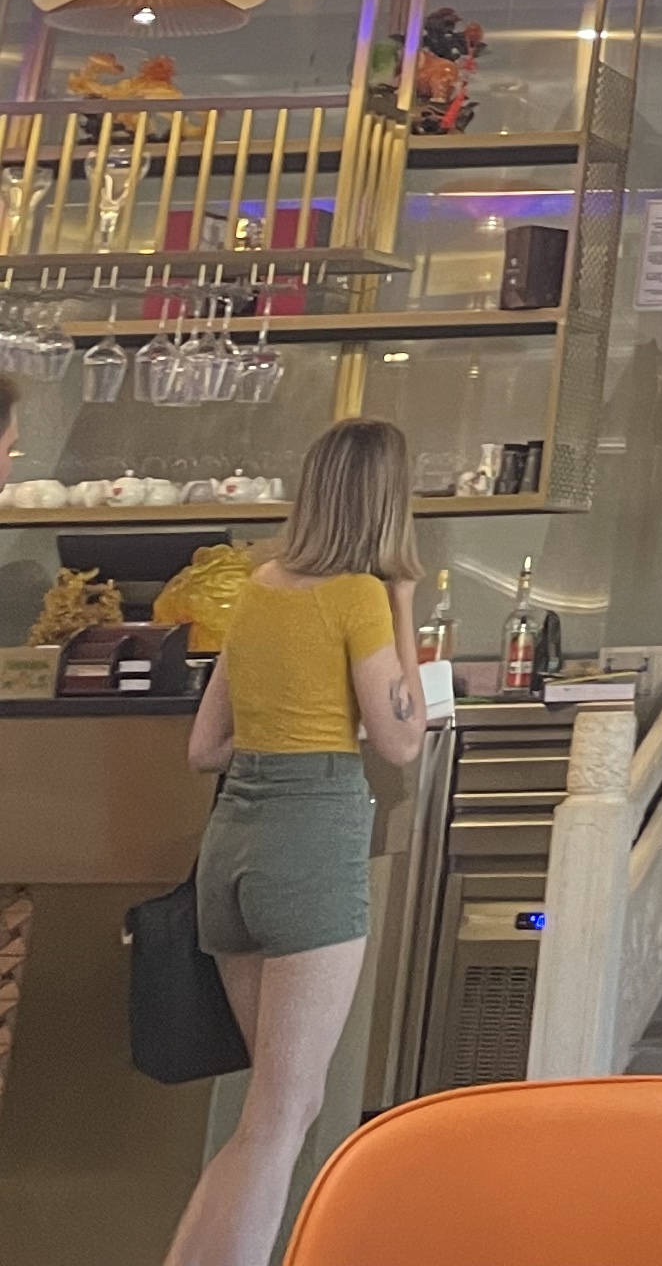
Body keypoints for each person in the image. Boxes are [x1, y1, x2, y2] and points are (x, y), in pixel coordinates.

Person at [167, 417, 429, 1266]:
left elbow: (204, 748)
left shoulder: (256, 589)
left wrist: (281, 727)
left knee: (267, 1112)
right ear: (388, 504)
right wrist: (404, 605)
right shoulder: (359, 597)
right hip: (310, 844)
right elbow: (402, 740)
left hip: (232, 850)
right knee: (282, 1117)